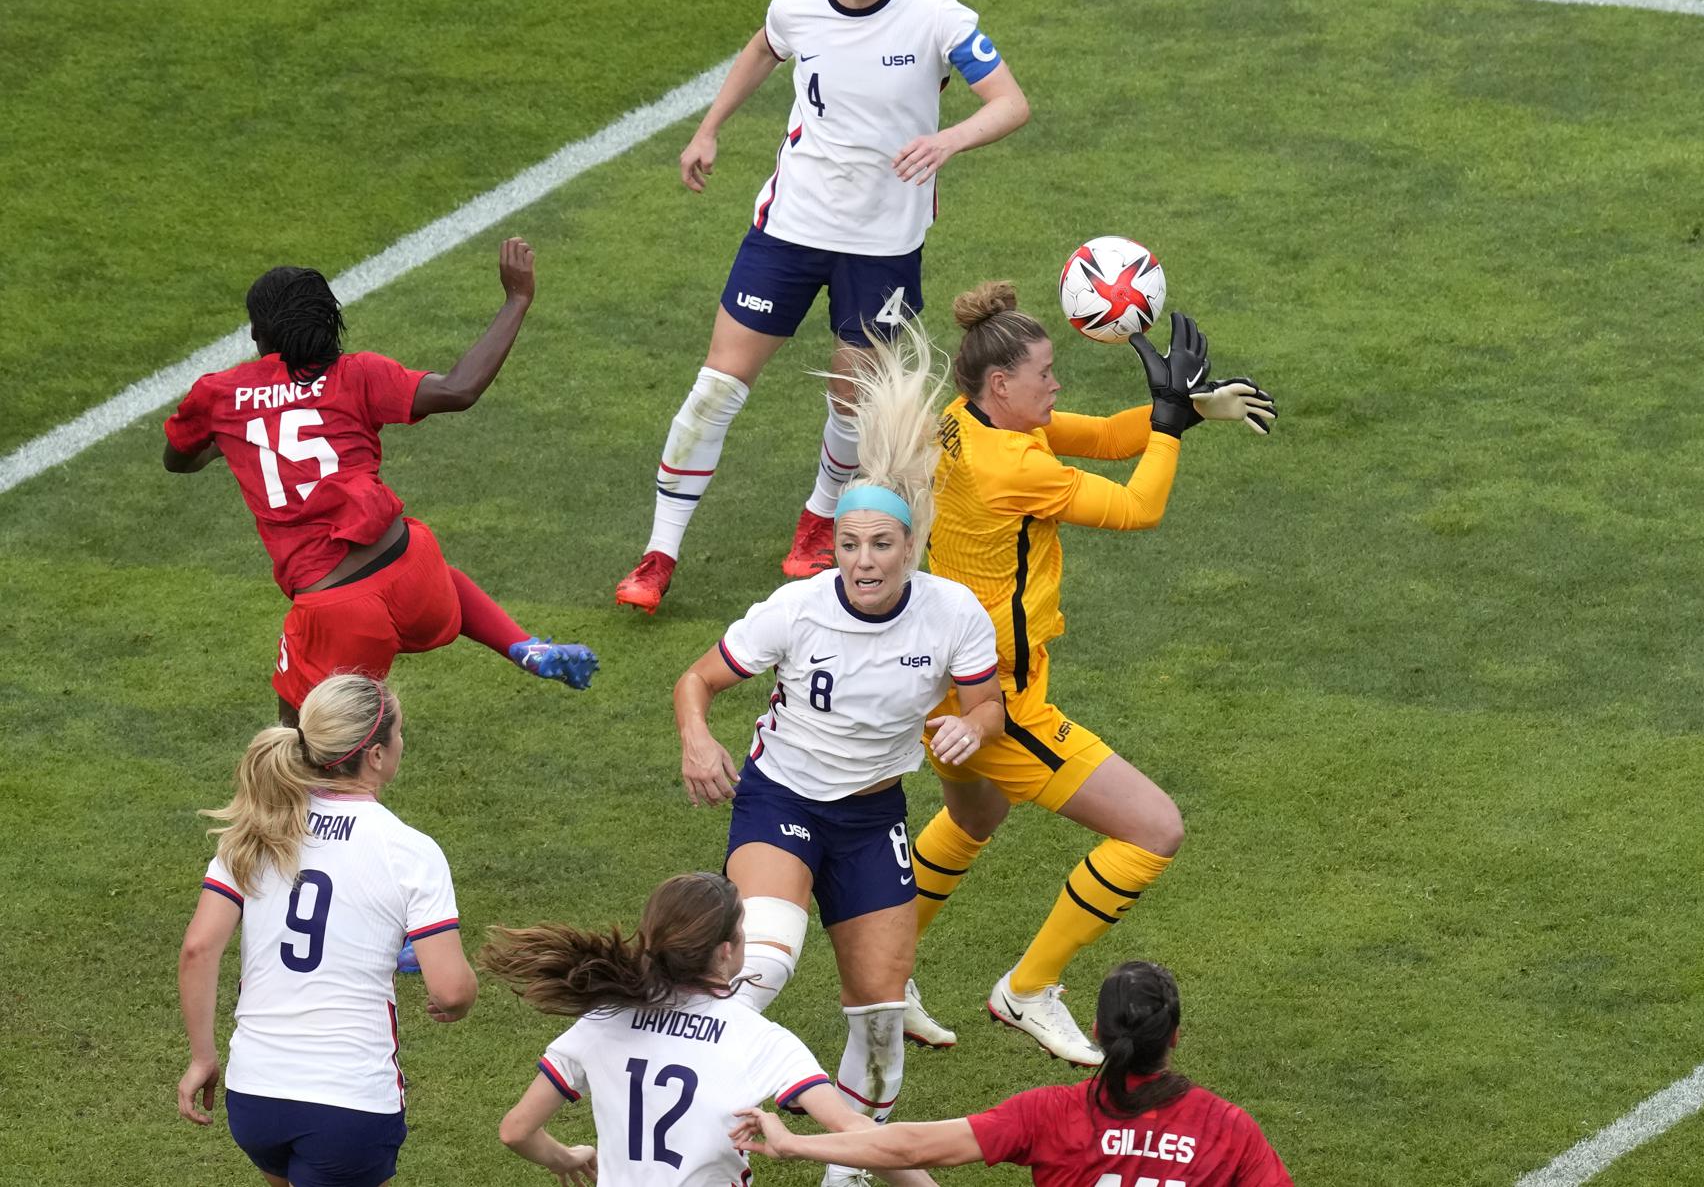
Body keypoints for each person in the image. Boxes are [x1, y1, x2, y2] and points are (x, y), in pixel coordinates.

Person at [614, 0, 1032, 615]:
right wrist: (709, 128)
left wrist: (949, 141)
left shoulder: (938, 16)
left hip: (883, 242)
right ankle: (659, 551)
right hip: (792, 228)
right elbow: (761, 49)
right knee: (715, 389)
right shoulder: (797, 6)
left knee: (852, 397)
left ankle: (817, 519)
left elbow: (1009, 102)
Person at [901, 284, 1275, 1064]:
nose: (1056, 383)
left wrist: (1188, 411)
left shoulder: (964, 421)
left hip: (943, 679)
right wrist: (1169, 430)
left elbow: (1105, 435)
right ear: (1001, 384)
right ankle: (1028, 988)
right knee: (1153, 827)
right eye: (1045, 372)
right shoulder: (1011, 469)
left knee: (973, 820)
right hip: (997, 702)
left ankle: (885, 964)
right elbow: (1140, 506)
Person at [671, 325, 1003, 1185]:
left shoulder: (953, 612)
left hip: (870, 817)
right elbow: (696, 680)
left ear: (907, 549)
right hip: (781, 798)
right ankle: (697, 1144)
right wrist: (697, 738)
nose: (862, 560)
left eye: (880, 545)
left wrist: (976, 728)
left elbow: (988, 705)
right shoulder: (798, 607)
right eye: (850, 544)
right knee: (764, 962)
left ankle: (846, 1173)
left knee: (883, 1021)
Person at [163, 237, 597, 724]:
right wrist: (517, 298)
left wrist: (231, 439)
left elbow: (177, 459)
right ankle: (522, 645)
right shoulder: (359, 374)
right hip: (415, 571)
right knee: (435, 573)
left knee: (296, 748)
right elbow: (459, 389)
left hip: (336, 610)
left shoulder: (218, 397)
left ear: (257, 336)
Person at [176, 673, 478, 1187]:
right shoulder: (409, 851)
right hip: (348, 1105)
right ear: (377, 756)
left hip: (256, 1098)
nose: (404, 742)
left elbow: (198, 948)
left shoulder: (257, 830)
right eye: (400, 733)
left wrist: (203, 1055)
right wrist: (459, 1001)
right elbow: (450, 988)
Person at [485, 872, 938, 1187]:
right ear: (726, 951)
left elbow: (516, 1130)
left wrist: (567, 1157)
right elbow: (855, 1131)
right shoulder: (760, 1040)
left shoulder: (601, 1020)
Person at [730, 960, 1295, 1185]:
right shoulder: (1227, 1128)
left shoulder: (1052, 1114)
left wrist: (795, 1145)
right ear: (1173, 1038)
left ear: (1095, 1033)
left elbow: (906, 1149)